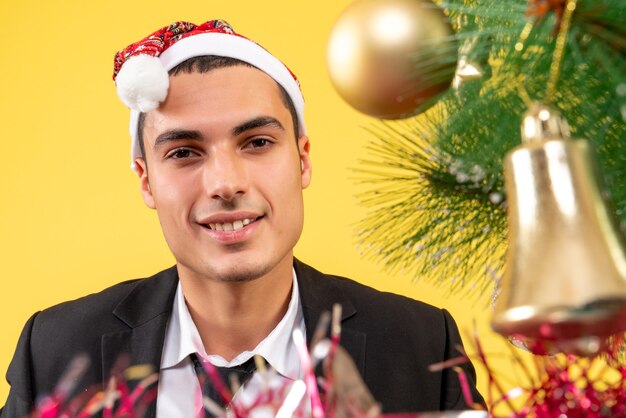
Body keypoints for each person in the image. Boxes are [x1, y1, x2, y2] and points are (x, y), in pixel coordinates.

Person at [1, 19, 484, 417]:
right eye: (185, 152)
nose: (225, 183)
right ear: (146, 180)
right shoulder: (54, 350)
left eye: (256, 143)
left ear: (303, 159)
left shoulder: (422, 346)